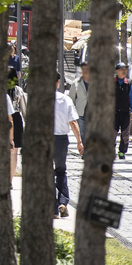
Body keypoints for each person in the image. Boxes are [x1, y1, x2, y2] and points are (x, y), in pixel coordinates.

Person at [53, 72, 84, 218]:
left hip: (44, 140)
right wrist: (79, 141)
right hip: (60, 139)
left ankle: (52, 207)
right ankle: (63, 202)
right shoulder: (65, 100)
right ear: (58, 82)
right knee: (61, 170)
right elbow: (73, 122)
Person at [8, 66, 27, 177]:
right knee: (14, 151)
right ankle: (10, 180)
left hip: (2, 118)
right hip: (16, 119)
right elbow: (23, 109)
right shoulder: (18, 90)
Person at [116, 61, 132, 159]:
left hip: (125, 112)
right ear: (117, 71)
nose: (124, 71)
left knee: (125, 134)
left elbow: (131, 97)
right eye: (121, 69)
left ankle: (122, 152)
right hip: (113, 112)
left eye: (125, 69)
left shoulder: (128, 83)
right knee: (111, 133)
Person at [69, 63, 90, 143]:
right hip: (80, 113)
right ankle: (84, 152)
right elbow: (71, 99)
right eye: (83, 69)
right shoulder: (76, 83)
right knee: (82, 134)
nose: (85, 71)